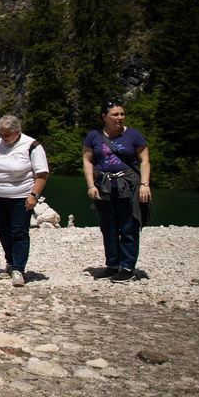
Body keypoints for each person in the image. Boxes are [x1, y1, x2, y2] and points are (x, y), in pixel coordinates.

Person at [82, 101, 151, 283]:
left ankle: (127, 267)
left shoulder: (133, 135)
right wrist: (90, 185)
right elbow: (88, 160)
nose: (119, 117)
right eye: (115, 114)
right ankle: (112, 265)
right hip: (104, 185)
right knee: (108, 226)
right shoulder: (93, 136)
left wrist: (145, 184)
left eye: (121, 114)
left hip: (129, 185)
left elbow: (144, 160)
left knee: (129, 225)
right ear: (104, 116)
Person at [0, 114, 49, 286]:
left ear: (18, 131)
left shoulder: (31, 145)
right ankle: (10, 262)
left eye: (7, 134)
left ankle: (19, 268)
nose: (3, 137)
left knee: (19, 231)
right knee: (2, 230)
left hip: (21, 196)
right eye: (1, 133)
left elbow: (42, 174)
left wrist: (34, 195)